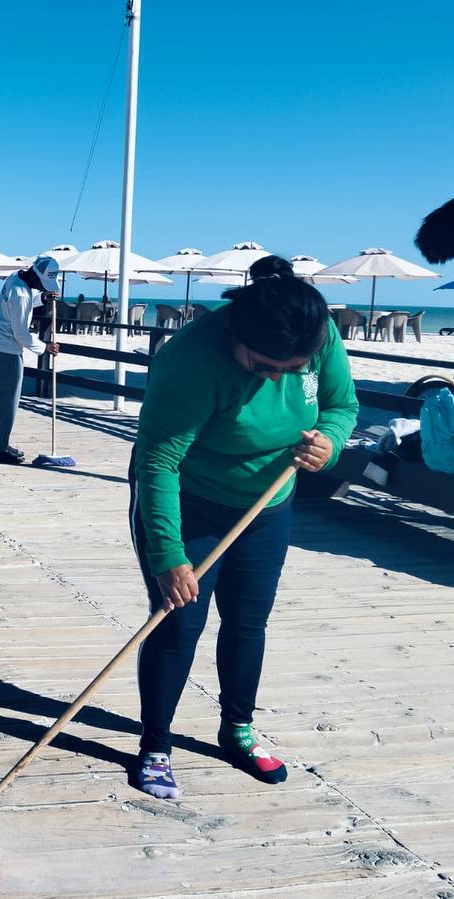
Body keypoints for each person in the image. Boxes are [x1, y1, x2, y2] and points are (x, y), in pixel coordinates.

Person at [129, 255, 358, 800]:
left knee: (248, 622)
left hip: (267, 505)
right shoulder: (189, 359)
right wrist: (169, 555)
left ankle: (237, 729)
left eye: (291, 370)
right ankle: (155, 745)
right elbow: (158, 462)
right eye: (265, 367)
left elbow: (342, 406)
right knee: (177, 624)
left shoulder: (317, 333)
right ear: (236, 333)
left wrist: (328, 443)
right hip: (190, 501)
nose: (276, 379)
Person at [0, 254, 61, 463]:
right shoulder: (20, 293)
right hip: (8, 353)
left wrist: (42, 298)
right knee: (8, 403)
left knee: (2, 401)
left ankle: (0, 442)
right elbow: (21, 334)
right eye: (43, 284)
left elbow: (25, 301)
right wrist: (45, 347)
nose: (43, 287)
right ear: (35, 276)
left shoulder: (16, 278)